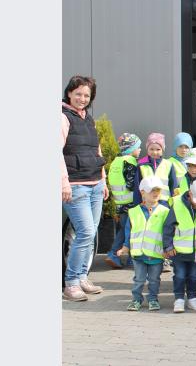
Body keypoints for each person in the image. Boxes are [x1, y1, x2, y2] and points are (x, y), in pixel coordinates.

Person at [61, 76, 111, 301]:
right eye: (78, 93)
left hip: (95, 184)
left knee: (90, 235)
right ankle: (70, 283)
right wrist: (63, 183)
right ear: (70, 93)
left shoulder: (88, 119)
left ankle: (82, 277)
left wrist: (104, 179)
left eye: (87, 95)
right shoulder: (62, 117)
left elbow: (96, 151)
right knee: (85, 232)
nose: (82, 98)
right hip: (76, 185)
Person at [116, 176, 169, 311]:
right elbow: (128, 231)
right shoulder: (133, 212)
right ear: (142, 193)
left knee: (154, 280)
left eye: (158, 190)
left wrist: (168, 249)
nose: (156, 193)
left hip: (156, 253)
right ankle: (136, 299)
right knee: (138, 279)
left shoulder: (165, 212)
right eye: (152, 190)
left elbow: (168, 233)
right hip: (138, 254)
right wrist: (125, 247)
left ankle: (153, 299)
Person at [163, 179, 196, 313]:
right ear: (190, 194)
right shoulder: (177, 205)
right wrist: (168, 246)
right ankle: (179, 299)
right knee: (180, 275)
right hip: (179, 251)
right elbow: (168, 227)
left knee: (195, 276)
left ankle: (193, 298)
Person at [105, 133, 142, 270]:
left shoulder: (116, 161)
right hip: (131, 203)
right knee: (131, 230)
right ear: (131, 148)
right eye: (138, 147)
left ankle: (122, 256)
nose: (140, 150)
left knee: (124, 230)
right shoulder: (130, 162)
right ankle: (117, 255)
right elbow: (132, 184)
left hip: (120, 203)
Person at [138, 133, 177, 204]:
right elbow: (137, 188)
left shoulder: (168, 165)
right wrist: (137, 205)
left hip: (164, 204)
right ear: (147, 149)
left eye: (158, 149)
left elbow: (173, 187)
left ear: (162, 150)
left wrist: (173, 205)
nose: (155, 152)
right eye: (151, 149)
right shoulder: (141, 166)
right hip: (146, 204)